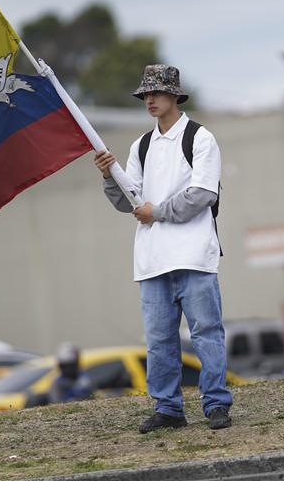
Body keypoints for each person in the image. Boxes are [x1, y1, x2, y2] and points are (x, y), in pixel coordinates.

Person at [94, 64, 232, 433]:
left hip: (194, 255)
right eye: (145, 95)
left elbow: (203, 194)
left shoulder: (200, 139)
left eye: (155, 94)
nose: (149, 100)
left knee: (207, 333)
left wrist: (158, 212)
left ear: (174, 95)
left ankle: (216, 404)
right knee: (158, 340)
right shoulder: (141, 145)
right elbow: (129, 201)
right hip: (152, 260)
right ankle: (168, 409)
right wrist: (110, 177)